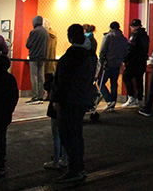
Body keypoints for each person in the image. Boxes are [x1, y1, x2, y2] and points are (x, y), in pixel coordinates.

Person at [49, 23, 96, 184]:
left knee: (68, 135)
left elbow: (63, 81)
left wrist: (56, 99)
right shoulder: (89, 56)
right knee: (77, 133)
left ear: (70, 37)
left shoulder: (70, 57)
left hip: (69, 100)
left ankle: (74, 169)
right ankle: (79, 167)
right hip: (82, 98)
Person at [98, 21, 128, 112]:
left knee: (100, 82)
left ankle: (109, 100)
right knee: (114, 83)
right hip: (117, 63)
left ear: (110, 27)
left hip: (108, 63)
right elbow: (125, 52)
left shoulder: (108, 37)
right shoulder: (123, 39)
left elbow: (102, 50)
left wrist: (101, 60)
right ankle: (113, 104)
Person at [122, 18, 149, 108]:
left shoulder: (135, 35)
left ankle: (131, 97)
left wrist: (125, 60)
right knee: (139, 80)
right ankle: (140, 99)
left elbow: (130, 49)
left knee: (126, 77)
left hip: (133, 61)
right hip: (142, 61)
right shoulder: (145, 36)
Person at [25, 15, 49, 104]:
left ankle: (35, 96)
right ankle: (40, 95)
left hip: (34, 56)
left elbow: (28, 44)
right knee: (41, 76)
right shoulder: (45, 32)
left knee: (34, 76)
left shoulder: (34, 32)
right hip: (43, 57)